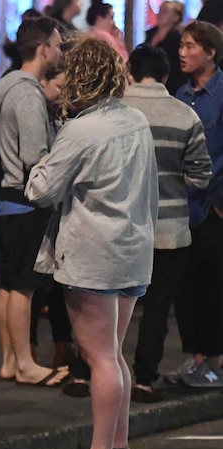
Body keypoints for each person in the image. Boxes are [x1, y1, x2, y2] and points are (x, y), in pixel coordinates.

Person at [26, 38, 158, 449]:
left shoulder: (80, 129)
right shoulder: (137, 120)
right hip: (133, 248)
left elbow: (41, 191)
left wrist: (40, 162)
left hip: (93, 253)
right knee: (114, 353)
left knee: (100, 356)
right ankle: (118, 447)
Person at [0, 17, 69, 388]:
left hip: (4, 198)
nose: (61, 51)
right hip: (24, 198)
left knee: (8, 283)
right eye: (58, 44)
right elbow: (37, 156)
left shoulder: (6, 86)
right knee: (23, 287)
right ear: (43, 48)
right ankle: (25, 363)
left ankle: (10, 361)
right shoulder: (28, 92)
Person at [123, 44, 212, 403]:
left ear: (129, 72)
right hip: (170, 228)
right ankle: (144, 378)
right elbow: (202, 176)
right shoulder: (184, 115)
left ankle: (95, 373)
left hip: (122, 226)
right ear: (164, 76)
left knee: (109, 307)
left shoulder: (114, 112)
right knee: (157, 308)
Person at [168, 21, 223, 386]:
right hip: (182, 205)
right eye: (182, 46)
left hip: (214, 203)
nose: (183, 53)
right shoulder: (179, 93)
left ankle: (216, 359)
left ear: (211, 52)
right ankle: (196, 357)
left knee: (215, 284)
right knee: (184, 285)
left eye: (190, 46)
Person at [145, 1, 188, 94]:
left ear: (176, 17)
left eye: (165, 11)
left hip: (172, 86)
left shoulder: (178, 38)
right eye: (159, 10)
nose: (159, 14)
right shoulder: (150, 34)